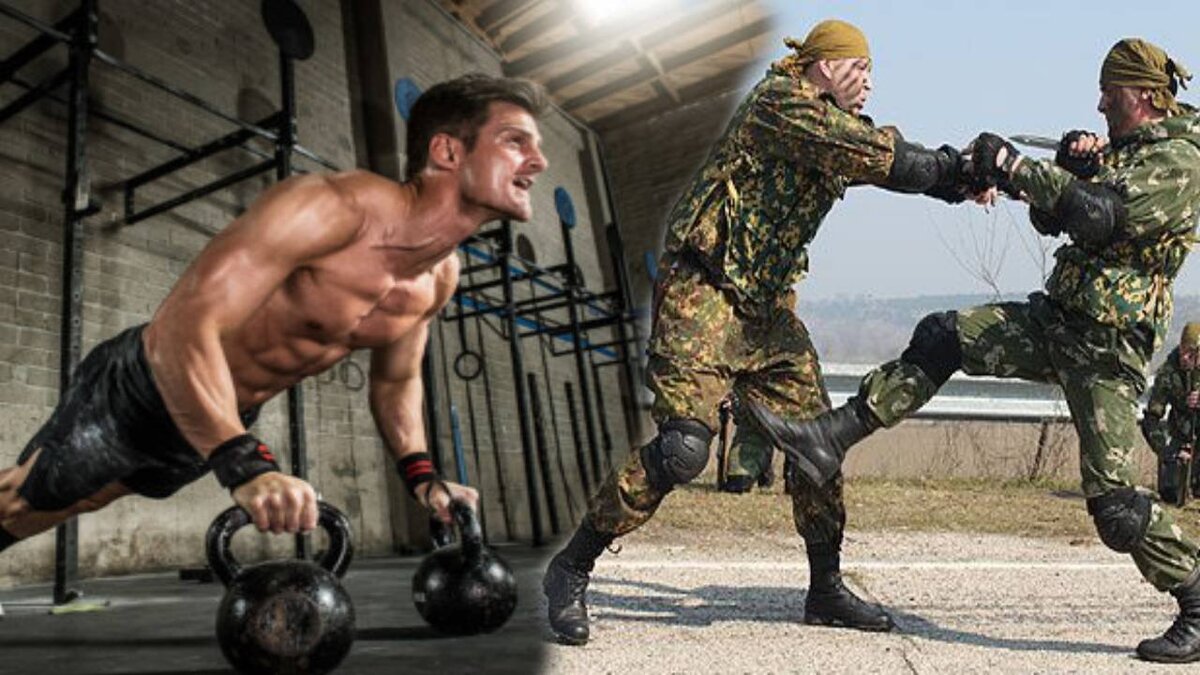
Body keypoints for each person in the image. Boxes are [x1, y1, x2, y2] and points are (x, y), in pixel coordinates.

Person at [749, 38, 1200, 663]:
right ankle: (830, 436)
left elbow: (1102, 218)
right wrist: (1070, 167)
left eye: (1110, 93)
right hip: (1059, 322)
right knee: (944, 336)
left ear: (1146, 97)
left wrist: (1020, 167)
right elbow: (1061, 217)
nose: (1100, 104)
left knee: (1116, 508)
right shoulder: (1132, 152)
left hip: (1106, 347)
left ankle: (1196, 600)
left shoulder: (1180, 160)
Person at [543, 19, 973, 645]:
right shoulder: (780, 105)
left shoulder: (840, 129)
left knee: (817, 442)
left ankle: (825, 588)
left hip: (766, 313)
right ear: (825, 65)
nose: (869, 83)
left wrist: (973, 176)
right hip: (703, 294)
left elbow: (898, 166)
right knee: (685, 449)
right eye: (861, 69)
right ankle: (571, 568)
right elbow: (887, 157)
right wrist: (944, 167)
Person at [0, 74, 547, 552]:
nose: (539, 161)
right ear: (448, 152)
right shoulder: (333, 207)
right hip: (149, 382)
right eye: (515, 141)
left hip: (224, 417)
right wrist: (247, 465)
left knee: (79, 502)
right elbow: (182, 327)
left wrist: (423, 478)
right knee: (23, 500)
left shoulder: (439, 278)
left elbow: (397, 382)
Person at [1142, 322, 1200, 504]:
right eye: (1183, 350)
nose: (1184, 357)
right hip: (1180, 444)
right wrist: (1167, 451)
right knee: (1172, 494)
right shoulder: (1168, 372)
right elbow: (1151, 418)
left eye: (1191, 354)